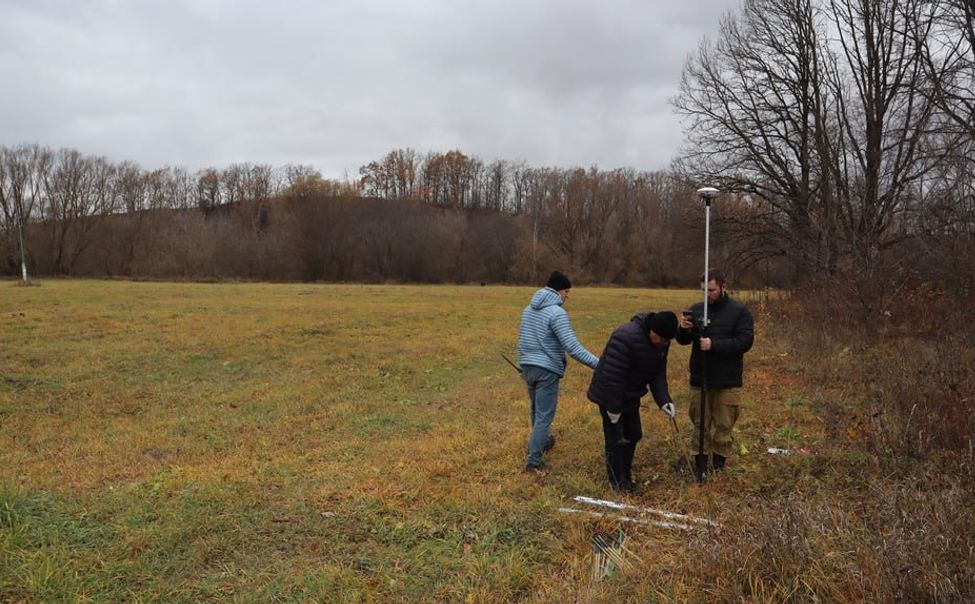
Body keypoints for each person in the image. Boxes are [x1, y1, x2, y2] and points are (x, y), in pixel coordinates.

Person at [586, 311, 679, 493]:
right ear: (652, 330)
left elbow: (658, 373)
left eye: (667, 340)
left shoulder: (663, 342)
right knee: (616, 439)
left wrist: (664, 400)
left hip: (631, 394)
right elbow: (612, 377)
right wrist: (613, 408)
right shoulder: (625, 337)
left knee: (634, 434)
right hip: (609, 394)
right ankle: (618, 484)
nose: (664, 343)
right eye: (661, 339)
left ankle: (625, 473)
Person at [518, 270, 599, 473]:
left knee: (536, 410)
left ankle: (542, 441)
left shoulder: (528, 309)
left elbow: (522, 340)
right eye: (566, 291)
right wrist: (600, 364)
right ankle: (534, 461)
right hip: (546, 370)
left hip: (527, 366)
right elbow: (573, 347)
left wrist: (523, 365)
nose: (567, 296)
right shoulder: (557, 313)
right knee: (544, 415)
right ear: (558, 291)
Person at [676, 269, 754, 478]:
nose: (707, 294)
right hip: (700, 378)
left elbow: (745, 341)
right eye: (703, 290)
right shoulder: (696, 309)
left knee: (724, 425)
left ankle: (718, 468)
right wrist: (683, 329)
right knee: (700, 425)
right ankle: (700, 467)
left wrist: (714, 345)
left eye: (711, 290)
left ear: (723, 287)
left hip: (727, 380)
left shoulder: (739, 312)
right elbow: (682, 340)